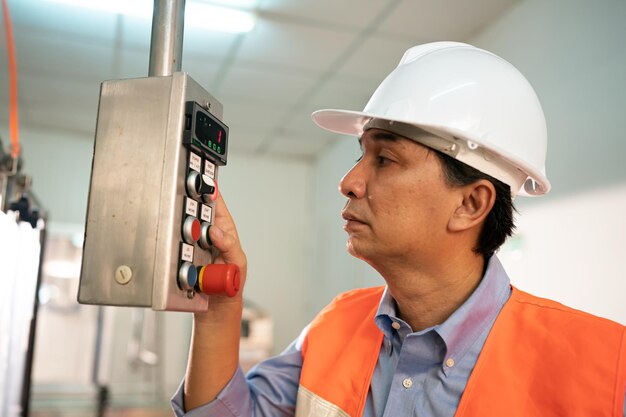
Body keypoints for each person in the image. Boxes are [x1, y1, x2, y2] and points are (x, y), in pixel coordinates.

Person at [171, 42, 626, 417]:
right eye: (360, 155)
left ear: (470, 204)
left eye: (385, 160)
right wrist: (218, 311)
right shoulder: (336, 325)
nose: (348, 182)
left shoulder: (608, 369)